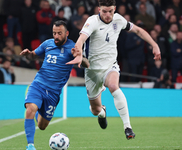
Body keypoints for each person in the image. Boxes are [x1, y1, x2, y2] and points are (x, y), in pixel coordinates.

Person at [66, 0, 161, 140]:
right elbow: (80, 40)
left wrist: (154, 44)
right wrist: (79, 54)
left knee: (113, 86)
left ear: (114, 9)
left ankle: (127, 127)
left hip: (110, 65)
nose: (108, 15)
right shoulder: (92, 21)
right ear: (99, 9)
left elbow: (138, 30)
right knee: (94, 110)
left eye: (110, 11)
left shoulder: (118, 19)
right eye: (104, 11)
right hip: (92, 71)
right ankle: (102, 112)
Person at [20, 20, 88, 150]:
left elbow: (86, 63)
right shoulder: (47, 43)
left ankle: (37, 108)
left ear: (66, 33)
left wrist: (79, 57)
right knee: (30, 109)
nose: (56, 36)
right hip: (38, 84)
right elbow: (33, 56)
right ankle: (30, 146)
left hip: (53, 93)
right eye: (54, 33)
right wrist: (28, 55)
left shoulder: (73, 47)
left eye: (59, 33)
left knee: (42, 126)